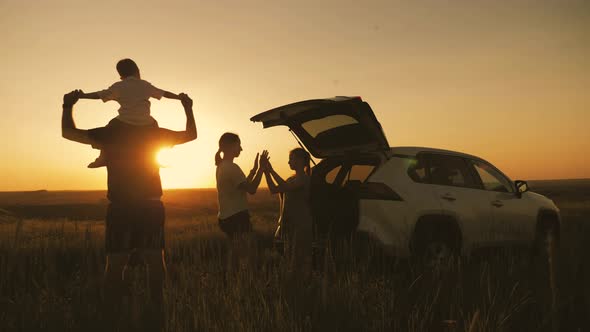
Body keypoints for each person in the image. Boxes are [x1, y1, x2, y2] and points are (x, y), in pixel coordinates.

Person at [61, 89, 196, 331]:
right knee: (155, 260)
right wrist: (187, 106)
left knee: (115, 263)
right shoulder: (154, 133)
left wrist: (68, 106)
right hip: (151, 204)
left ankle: (111, 314)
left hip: (121, 206)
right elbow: (191, 135)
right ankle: (157, 309)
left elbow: (68, 133)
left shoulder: (111, 132)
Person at [79, 58, 182, 168]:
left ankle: (103, 157)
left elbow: (100, 95)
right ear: (137, 71)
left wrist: (83, 95)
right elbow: (164, 93)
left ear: (121, 76)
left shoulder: (119, 86)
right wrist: (179, 97)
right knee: (155, 129)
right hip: (146, 122)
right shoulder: (145, 85)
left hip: (124, 122)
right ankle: (155, 159)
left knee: (109, 128)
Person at [261, 148, 313, 272]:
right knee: (289, 258)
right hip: (289, 224)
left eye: (291, 159)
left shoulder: (304, 179)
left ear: (300, 161)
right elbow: (274, 189)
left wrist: (271, 170)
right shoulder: (291, 179)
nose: (289, 162)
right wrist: (266, 171)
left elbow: (286, 187)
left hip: (301, 225)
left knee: (299, 259)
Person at [214, 133, 267, 238]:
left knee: (238, 251)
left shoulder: (221, 166)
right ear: (231, 146)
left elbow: (242, 186)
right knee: (246, 251)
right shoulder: (232, 167)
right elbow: (251, 189)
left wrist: (254, 170)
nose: (241, 149)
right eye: (239, 145)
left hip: (226, 218)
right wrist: (262, 168)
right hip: (236, 219)